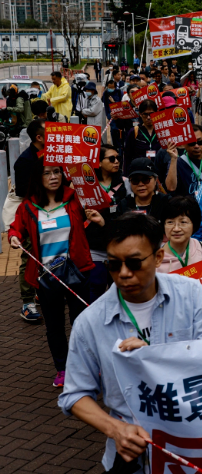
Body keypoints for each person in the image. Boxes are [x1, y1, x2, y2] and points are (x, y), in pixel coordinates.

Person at [58, 213, 202, 472]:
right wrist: (117, 430)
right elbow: (75, 394)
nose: (123, 274)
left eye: (134, 263)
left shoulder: (191, 295)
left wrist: (155, 360)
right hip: (130, 458)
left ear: (157, 257)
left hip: (191, 446)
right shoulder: (90, 322)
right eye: (113, 264)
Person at [9, 163, 95, 388]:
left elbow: (101, 200)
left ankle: (84, 368)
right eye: (46, 173)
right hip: (47, 276)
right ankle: (63, 369)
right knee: (54, 326)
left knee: (81, 323)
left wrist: (83, 171)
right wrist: (14, 237)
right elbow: (15, 228)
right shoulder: (28, 207)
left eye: (57, 172)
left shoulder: (75, 199)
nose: (53, 177)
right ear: (38, 178)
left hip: (77, 271)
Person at [83, 144, 128, 301]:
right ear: (99, 163)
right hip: (95, 245)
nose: (117, 161)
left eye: (118, 158)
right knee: (96, 286)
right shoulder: (85, 185)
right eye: (111, 158)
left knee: (118, 288)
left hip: (118, 244)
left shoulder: (126, 183)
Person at [13, 119, 46, 322]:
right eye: (48, 132)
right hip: (33, 215)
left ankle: (40, 291)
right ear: (39, 137)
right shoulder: (25, 161)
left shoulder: (52, 155)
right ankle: (27, 302)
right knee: (30, 255)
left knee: (47, 253)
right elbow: (22, 191)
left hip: (51, 212)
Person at [165, 124, 202, 196]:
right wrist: (173, 159)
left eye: (200, 142)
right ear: (184, 144)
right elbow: (171, 188)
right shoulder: (177, 163)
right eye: (192, 143)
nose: (196, 146)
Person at [118, 158, 170, 222]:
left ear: (155, 179)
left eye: (146, 180)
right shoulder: (124, 204)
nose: (140, 184)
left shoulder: (167, 203)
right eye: (135, 181)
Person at [124, 100, 161, 174]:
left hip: (159, 171)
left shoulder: (162, 131)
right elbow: (127, 156)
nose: (148, 117)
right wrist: (126, 176)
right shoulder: (134, 131)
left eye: (151, 114)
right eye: (145, 114)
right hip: (139, 172)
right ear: (140, 114)